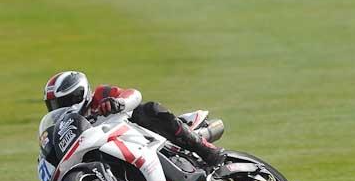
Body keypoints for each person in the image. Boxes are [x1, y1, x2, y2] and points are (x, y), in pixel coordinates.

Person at [43, 70, 225, 168]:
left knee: (149, 109)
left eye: (65, 101)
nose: (61, 108)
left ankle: (205, 149)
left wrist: (118, 103)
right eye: (55, 105)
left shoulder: (101, 94)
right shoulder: (70, 127)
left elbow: (134, 94)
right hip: (114, 151)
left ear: (79, 93)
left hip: (141, 135)